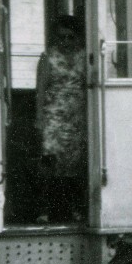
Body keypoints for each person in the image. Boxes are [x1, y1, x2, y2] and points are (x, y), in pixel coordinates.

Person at [35, 14, 88, 223]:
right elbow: (40, 90)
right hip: (54, 119)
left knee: (75, 165)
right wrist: (39, 118)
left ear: (77, 38)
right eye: (61, 37)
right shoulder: (48, 58)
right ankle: (44, 210)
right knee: (49, 164)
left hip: (77, 119)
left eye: (70, 37)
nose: (66, 42)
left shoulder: (84, 57)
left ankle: (75, 209)